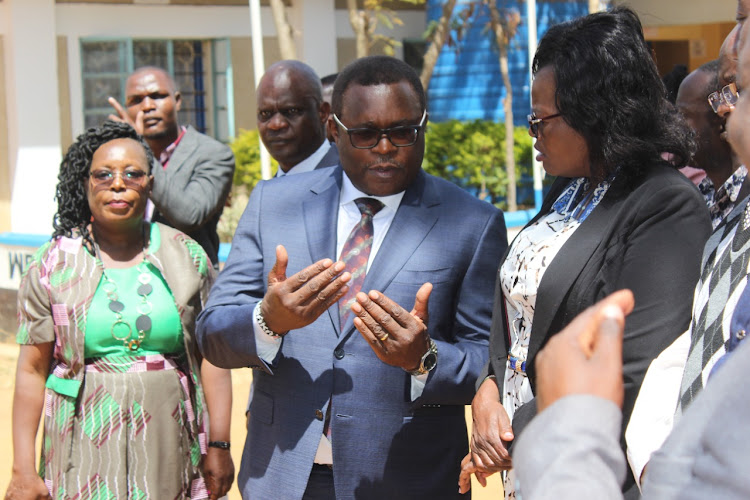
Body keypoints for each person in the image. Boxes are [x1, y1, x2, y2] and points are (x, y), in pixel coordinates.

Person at [196, 55, 507, 499]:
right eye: (364, 134)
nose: (385, 147)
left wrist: (425, 358)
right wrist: (268, 321)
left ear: (423, 127)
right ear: (334, 130)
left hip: (407, 480)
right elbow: (211, 333)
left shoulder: (472, 223)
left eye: (402, 131)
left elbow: (487, 359)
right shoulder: (274, 204)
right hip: (285, 477)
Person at [461, 8, 712, 498]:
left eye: (540, 121)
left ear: (594, 113)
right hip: (532, 460)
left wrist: (512, 427)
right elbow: (521, 309)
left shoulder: (665, 206)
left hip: (592, 470)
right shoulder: (568, 186)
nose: (532, 135)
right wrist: (489, 387)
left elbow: (633, 371)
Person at [5, 121, 234, 500]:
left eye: (132, 173)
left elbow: (213, 358)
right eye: (103, 174)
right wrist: (23, 468)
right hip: (80, 443)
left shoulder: (187, 255)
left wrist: (220, 445)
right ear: (85, 182)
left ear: (150, 182)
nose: (117, 183)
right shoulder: (53, 263)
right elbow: (31, 369)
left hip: (168, 439)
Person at [625, 16, 750, 484]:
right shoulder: (728, 220)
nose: (727, 113)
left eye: (738, 90)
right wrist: (655, 462)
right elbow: (695, 344)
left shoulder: (678, 207)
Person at [107, 66, 234, 268]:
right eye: (136, 100)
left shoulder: (214, 154)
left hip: (188, 286)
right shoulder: (116, 158)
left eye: (157, 96)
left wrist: (141, 150)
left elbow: (190, 215)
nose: (147, 106)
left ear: (177, 101)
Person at [256, 61, 339, 176]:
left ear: (323, 113)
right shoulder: (264, 191)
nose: (275, 124)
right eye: (265, 113)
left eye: (291, 111)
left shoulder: (352, 182)